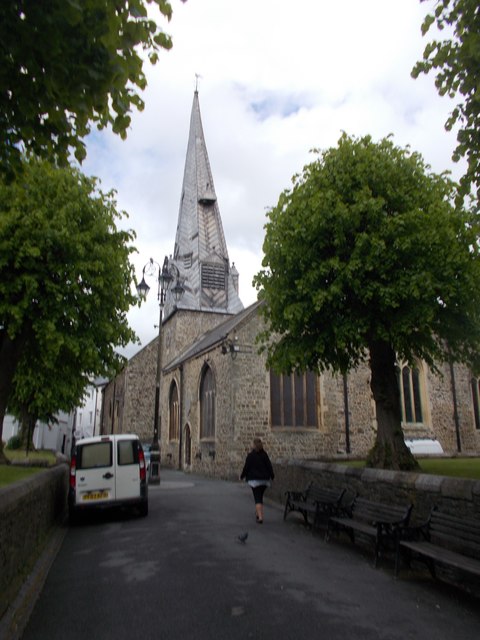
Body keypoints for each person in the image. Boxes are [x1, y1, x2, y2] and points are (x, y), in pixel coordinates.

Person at [240, 437, 275, 524]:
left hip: (255, 480)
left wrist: (242, 476)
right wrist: (272, 476)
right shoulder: (265, 455)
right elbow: (269, 466)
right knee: (260, 496)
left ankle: (260, 517)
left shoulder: (250, 456)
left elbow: (246, 468)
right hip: (264, 480)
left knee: (257, 498)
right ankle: (257, 512)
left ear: (254, 445)